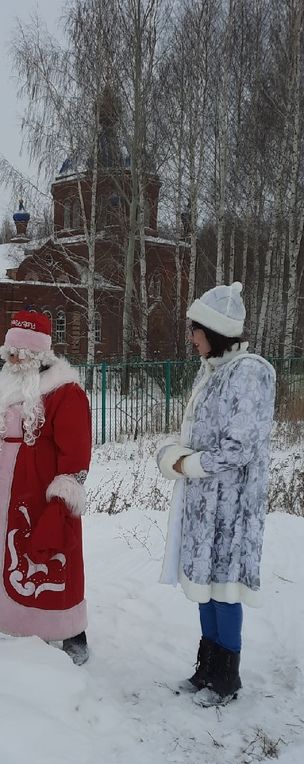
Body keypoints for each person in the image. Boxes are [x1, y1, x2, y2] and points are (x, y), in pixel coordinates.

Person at [0, 310, 92, 664]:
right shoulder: (10, 386)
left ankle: (71, 631)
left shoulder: (65, 392)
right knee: (14, 563)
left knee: (53, 560)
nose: (11, 359)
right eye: (8, 352)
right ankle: (24, 630)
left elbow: (77, 454)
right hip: (6, 501)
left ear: (39, 354)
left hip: (44, 496)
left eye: (18, 353)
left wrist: (61, 502)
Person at [157, 282, 275, 702]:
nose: (191, 337)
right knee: (205, 585)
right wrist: (173, 452)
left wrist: (187, 464)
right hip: (205, 504)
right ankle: (207, 668)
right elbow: (197, 434)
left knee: (225, 589)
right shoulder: (213, 371)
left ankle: (228, 677)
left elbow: (239, 448)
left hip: (233, 506)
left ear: (215, 330)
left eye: (195, 329)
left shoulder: (250, 372)